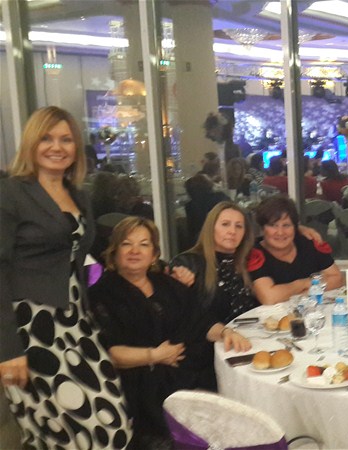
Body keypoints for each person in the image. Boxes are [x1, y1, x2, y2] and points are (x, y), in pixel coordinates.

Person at [0, 106, 132, 448]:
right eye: (46, 138)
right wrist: (7, 349)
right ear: (31, 143)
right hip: (32, 326)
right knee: (87, 432)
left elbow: (82, 256)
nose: (56, 147)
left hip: (76, 321)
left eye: (66, 139)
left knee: (109, 423)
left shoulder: (79, 196)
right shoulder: (10, 193)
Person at [89, 217, 251, 447]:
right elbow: (110, 353)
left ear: (154, 254)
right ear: (114, 252)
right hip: (141, 390)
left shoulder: (167, 284)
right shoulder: (102, 294)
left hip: (187, 377)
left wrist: (226, 332)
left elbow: (200, 322)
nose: (135, 251)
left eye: (144, 244)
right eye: (127, 244)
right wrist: (154, 355)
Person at [169, 202, 261, 324]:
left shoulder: (249, 260)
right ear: (211, 228)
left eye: (239, 226)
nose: (232, 231)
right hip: (211, 334)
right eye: (225, 224)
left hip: (253, 332)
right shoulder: (187, 262)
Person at [249, 195, 343, 304]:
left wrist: (302, 294)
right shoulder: (255, 254)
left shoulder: (308, 243)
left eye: (286, 225)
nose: (280, 232)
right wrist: (302, 284)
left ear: (295, 227)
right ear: (262, 228)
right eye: (273, 225)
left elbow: (337, 279)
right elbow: (269, 297)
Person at [184, 173, 230, 244]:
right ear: (209, 186)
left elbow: (192, 230)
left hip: (201, 240)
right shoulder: (221, 197)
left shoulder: (190, 206)